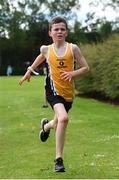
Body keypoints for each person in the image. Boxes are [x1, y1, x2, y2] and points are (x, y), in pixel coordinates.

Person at [19, 16, 89, 172]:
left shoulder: (73, 48)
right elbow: (40, 57)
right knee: (63, 118)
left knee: (57, 123)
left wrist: (73, 73)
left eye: (62, 29)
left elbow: (86, 68)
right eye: (56, 29)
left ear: (67, 32)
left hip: (68, 93)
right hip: (53, 90)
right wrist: (29, 71)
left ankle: (46, 126)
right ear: (50, 32)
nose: (59, 31)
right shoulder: (46, 49)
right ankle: (58, 160)